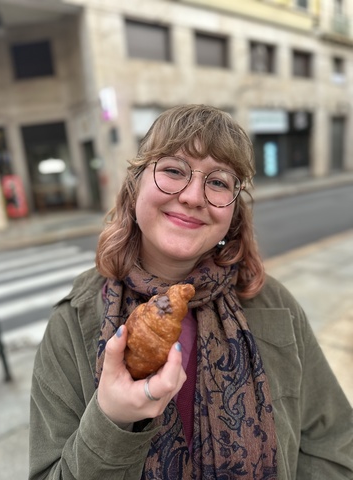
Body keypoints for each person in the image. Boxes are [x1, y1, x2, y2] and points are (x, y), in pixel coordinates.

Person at [29, 104, 353, 480]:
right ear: (135, 186)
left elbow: (334, 443)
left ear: (233, 210)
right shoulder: (72, 323)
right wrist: (111, 420)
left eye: (218, 181)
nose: (193, 196)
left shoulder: (271, 304)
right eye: (173, 170)